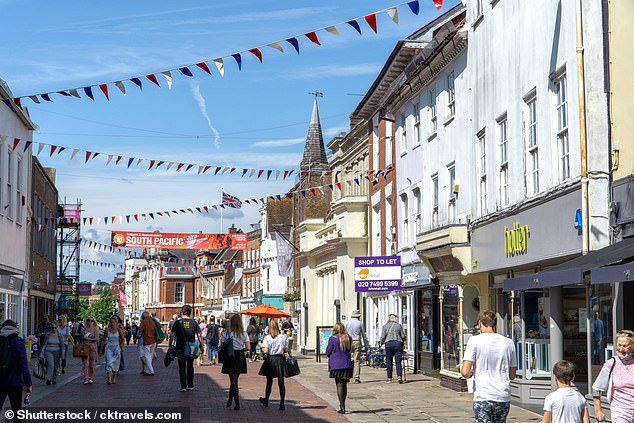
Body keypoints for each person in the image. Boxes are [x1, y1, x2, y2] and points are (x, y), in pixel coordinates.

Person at [461, 310, 517, 423]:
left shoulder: (474, 341)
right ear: (495, 325)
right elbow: (512, 375)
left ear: (479, 323)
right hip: (502, 396)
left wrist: (471, 373)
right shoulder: (508, 343)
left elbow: (465, 371)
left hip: (483, 396)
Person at [592, 329, 634, 423]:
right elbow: (596, 388)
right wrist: (598, 410)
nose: (621, 349)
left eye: (624, 346)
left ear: (632, 347)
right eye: (619, 345)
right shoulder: (612, 363)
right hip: (620, 411)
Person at [0, 320, 32, 423]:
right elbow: (23, 364)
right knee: (17, 411)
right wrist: (28, 383)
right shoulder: (18, 341)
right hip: (15, 381)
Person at [170, 305, 204, 392]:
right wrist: (202, 345)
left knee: (182, 367)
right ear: (190, 312)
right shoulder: (194, 323)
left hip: (180, 347)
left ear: (182, 312)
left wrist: (170, 345)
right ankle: (190, 385)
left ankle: (183, 386)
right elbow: (199, 335)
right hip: (191, 347)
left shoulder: (177, 323)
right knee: (190, 366)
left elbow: (172, 334)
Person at [221, 314, 250, 410]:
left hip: (230, 356)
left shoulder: (227, 333)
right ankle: (230, 400)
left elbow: (222, 343)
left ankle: (236, 403)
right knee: (234, 380)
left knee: (233, 381)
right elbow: (248, 347)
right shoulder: (244, 333)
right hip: (240, 356)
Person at [258, 319, 288, 410]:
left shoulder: (268, 338)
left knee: (269, 382)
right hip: (279, 359)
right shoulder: (282, 337)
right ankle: (282, 402)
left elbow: (266, 351)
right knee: (281, 382)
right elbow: (286, 350)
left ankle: (266, 399)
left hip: (271, 359)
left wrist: (261, 345)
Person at [326, 322, 353, 415]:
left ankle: (342, 406)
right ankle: (343, 404)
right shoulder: (348, 338)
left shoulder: (332, 339)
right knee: (344, 384)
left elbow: (328, 351)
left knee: (339, 384)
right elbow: (350, 350)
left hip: (336, 364)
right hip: (346, 364)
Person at [380, 313, 406, 384]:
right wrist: (404, 341)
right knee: (398, 362)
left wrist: (381, 343)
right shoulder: (399, 326)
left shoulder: (385, 326)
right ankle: (399, 377)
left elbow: (383, 336)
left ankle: (389, 378)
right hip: (398, 344)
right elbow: (403, 336)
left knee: (389, 362)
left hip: (389, 344)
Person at [345, 309, 370, 383]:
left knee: (347, 359)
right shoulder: (360, 323)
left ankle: (347, 376)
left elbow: (344, 333)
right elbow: (363, 335)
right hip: (357, 341)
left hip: (348, 341)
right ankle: (356, 377)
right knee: (357, 361)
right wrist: (366, 345)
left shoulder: (347, 323)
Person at [100, 316, 125, 384]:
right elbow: (103, 340)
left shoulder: (119, 330)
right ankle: (109, 379)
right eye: (111, 322)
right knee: (109, 362)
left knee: (116, 363)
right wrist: (101, 350)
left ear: (116, 323)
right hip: (109, 347)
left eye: (113, 322)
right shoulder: (107, 330)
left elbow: (122, 339)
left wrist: (121, 345)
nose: (112, 324)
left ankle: (114, 378)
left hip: (116, 347)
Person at [39, 321, 64, 385]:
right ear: (51, 328)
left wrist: (63, 353)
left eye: (55, 328)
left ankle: (54, 378)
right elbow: (44, 345)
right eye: (52, 328)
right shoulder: (47, 334)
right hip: (48, 351)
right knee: (50, 364)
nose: (54, 329)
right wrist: (41, 354)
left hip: (57, 351)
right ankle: (49, 379)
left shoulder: (59, 335)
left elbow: (62, 345)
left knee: (56, 365)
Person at [80, 316, 99, 385]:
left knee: (92, 364)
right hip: (85, 347)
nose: (90, 322)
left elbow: (96, 338)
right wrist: (83, 337)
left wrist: (89, 339)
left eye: (91, 321)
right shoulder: (84, 329)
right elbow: (81, 338)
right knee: (85, 363)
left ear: (93, 322)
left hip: (93, 347)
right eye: (88, 320)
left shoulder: (95, 328)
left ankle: (90, 376)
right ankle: (85, 378)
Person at [138, 312, 157, 376]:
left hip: (147, 341)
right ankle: (147, 370)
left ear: (143, 316)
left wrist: (138, 336)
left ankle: (151, 371)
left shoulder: (143, 322)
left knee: (147, 356)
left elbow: (140, 332)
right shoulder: (153, 320)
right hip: (154, 340)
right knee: (150, 356)